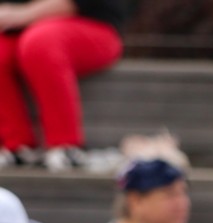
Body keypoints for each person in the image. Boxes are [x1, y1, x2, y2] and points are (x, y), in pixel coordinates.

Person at [0, 0, 125, 172]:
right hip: (21, 30)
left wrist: (21, 14)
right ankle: (18, 148)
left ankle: (66, 148)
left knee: (40, 42)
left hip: (93, 27)